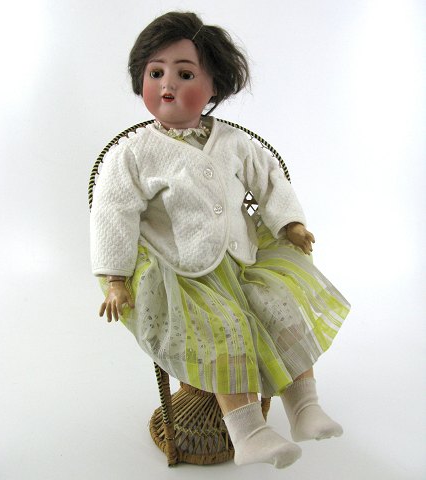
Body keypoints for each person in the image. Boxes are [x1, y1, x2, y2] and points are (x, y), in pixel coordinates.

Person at [90, 11, 350, 469]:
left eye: (185, 74)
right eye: (156, 73)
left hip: (243, 259)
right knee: (226, 328)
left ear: (214, 87)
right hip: (180, 274)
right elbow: (113, 213)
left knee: (281, 307)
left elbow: (268, 180)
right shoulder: (131, 155)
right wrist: (115, 278)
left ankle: (304, 407)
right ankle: (248, 432)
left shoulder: (234, 142)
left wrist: (289, 223)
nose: (167, 84)